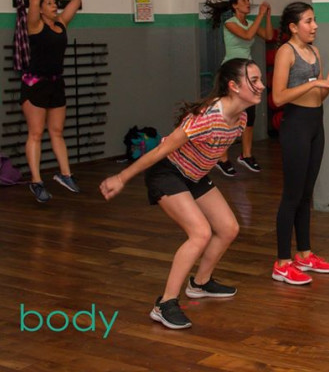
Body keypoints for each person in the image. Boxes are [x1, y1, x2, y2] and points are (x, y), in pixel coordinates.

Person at [99, 58, 264, 329]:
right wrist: (121, 177)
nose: (261, 86)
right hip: (167, 172)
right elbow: (160, 150)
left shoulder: (241, 117)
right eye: (254, 80)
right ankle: (165, 304)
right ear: (234, 86)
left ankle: (200, 283)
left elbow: (212, 150)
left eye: (260, 80)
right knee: (200, 233)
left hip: (194, 175)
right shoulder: (206, 117)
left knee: (228, 228)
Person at [270, 2, 329, 284]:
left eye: (314, 21)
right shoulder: (285, 52)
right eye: (308, 21)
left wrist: (328, 83)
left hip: (315, 124)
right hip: (296, 126)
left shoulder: (315, 52)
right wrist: (314, 83)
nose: (315, 26)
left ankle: (304, 254)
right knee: (292, 195)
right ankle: (282, 262)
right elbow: (278, 97)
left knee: (306, 193)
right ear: (293, 27)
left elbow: (318, 96)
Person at [21, 0, 82, 203]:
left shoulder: (61, 24)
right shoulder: (34, 25)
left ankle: (65, 175)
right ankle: (36, 181)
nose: (54, 5)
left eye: (54, 2)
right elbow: (33, 0)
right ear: (40, 9)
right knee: (36, 133)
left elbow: (76, 1)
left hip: (56, 84)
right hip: (35, 84)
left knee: (57, 131)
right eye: (49, 3)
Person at [204, 0, 274, 176]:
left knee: (249, 115)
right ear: (235, 5)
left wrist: (267, 16)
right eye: (244, 0)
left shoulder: (250, 22)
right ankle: (222, 158)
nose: (248, 3)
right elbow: (247, 35)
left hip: (246, 72)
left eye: (249, 0)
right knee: (228, 116)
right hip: (230, 72)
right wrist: (259, 14)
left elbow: (268, 36)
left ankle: (246, 155)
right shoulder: (230, 23)